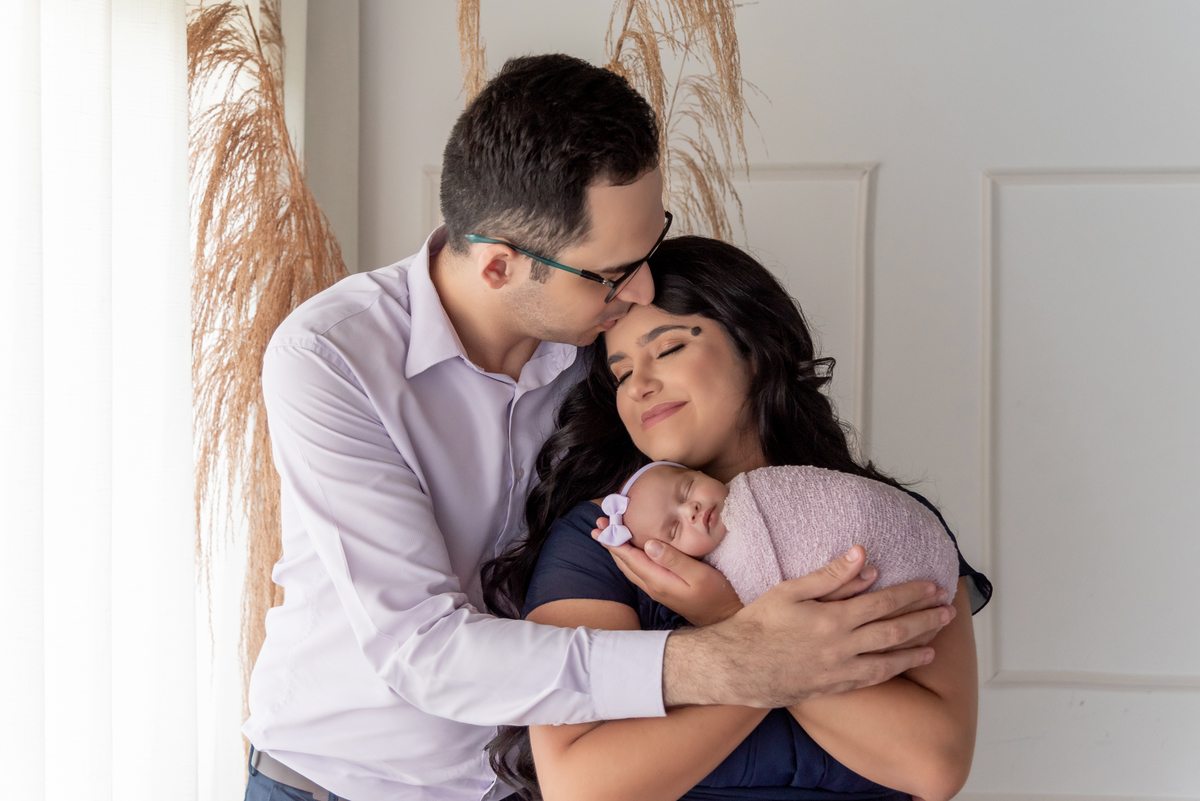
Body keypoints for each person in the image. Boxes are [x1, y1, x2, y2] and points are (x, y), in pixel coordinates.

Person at [244, 55, 954, 801]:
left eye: (651, 249)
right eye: (615, 272)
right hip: (340, 781)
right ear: (498, 268)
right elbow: (423, 649)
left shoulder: (606, 346)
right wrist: (733, 659)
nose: (643, 289)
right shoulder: (331, 356)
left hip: (517, 784)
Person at [481, 236, 992, 801]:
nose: (640, 385)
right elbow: (581, 788)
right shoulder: (608, 538)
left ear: (755, 345)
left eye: (669, 347)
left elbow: (936, 767)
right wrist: (763, 654)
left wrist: (728, 611)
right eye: (622, 374)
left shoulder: (888, 526)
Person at [595, 460, 961, 607]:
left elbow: (843, 501)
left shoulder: (761, 487)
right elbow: (775, 616)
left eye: (688, 488)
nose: (690, 510)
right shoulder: (723, 570)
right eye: (674, 529)